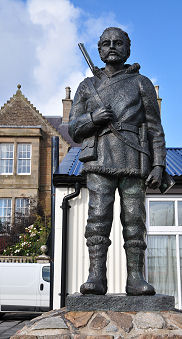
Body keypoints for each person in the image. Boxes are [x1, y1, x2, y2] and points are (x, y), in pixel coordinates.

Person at [68, 27, 166, 296]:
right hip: (99, 158)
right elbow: (73, 130)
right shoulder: (86, 87)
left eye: (118, 43)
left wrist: (158, 165)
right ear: (99, 50)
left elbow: (155, 129)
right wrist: (92, 119)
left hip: (133, 159)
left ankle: (136, 277)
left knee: (135, 220)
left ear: (127, 49)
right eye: (106, 43)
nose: (112, 47)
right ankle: (96, 276)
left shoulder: (141, 83)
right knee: (97, 218)